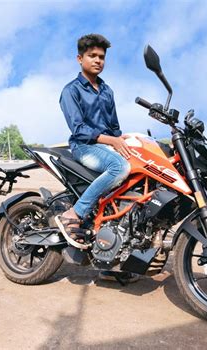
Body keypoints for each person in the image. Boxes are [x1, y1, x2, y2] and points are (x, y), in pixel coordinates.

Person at [56, 34, 137, 283]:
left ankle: (110, 255)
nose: (98, 60)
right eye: (92, 56)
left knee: (139, 176)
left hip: (106, 146)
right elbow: (78, 129)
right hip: (84, 147)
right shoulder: (71, 91)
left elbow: (114, 128)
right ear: (80, 58)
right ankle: (75, 213)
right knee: (119, 167)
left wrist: (126, 140)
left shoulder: (107, 91)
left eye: (102, 57)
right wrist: (112, 142)